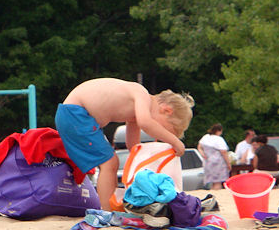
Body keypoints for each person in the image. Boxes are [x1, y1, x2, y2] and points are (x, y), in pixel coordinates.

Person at [55, 78, 194, 210]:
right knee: (109, 163)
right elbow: (145, 123)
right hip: (76, 114)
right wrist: (175, 141)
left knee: (111, 163)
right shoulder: (141, 94)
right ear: (166, 110)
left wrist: (146, 154)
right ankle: (106, 210)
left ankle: (112, 204)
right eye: (165, 130)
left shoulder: (135, 112)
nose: (159, 133)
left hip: (77, 115)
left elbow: (133, 146)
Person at [198, 123, 231, 190]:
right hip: (218, 163)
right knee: (217, 182)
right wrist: (228, 163)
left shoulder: (206, 137)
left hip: (208, 162)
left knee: (212, 182)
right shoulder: (218, 139)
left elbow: (199, 147)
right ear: (219, 131)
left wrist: (202, 154)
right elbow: (223, 152)